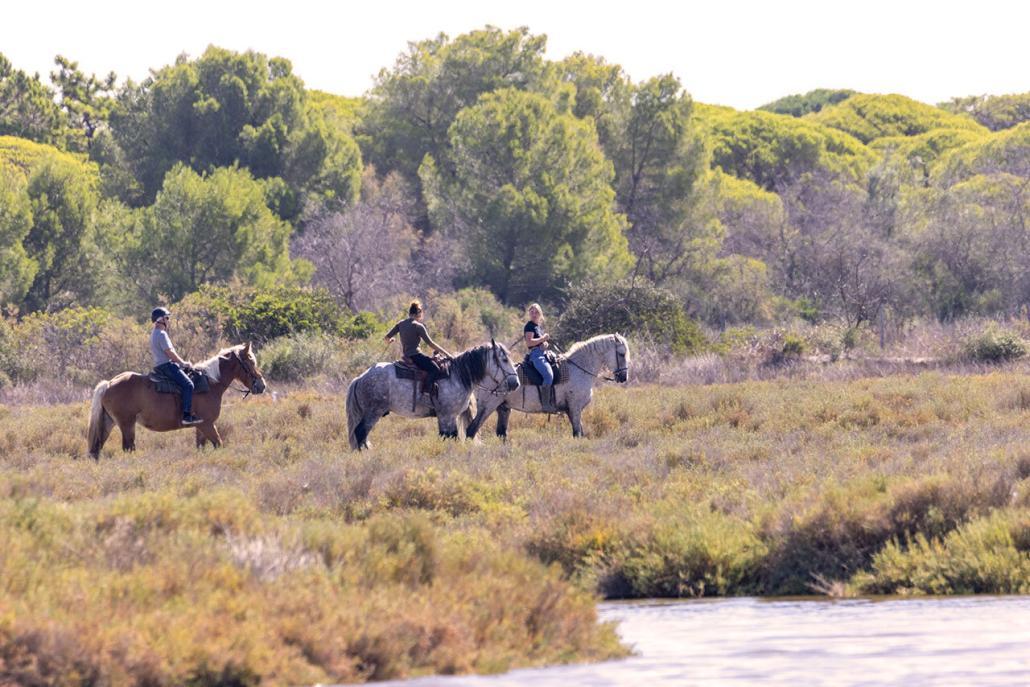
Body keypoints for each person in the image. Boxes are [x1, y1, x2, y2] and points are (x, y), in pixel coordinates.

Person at [385, 301, 454, 392]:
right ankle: (426, 391)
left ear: (410, 312)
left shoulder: (400, 323)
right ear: (418, 313)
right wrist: (447, 354)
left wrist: (390, 340)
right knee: (435, 369)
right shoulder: (418, 326)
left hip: (406, 356)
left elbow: (386, 338)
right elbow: (431, 343)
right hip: (416, 356)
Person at [150, 307, 203, 426]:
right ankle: (186, 416)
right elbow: (170, 353)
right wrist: (183, 363)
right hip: (167, 366)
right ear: (161, 319)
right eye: (167, 318)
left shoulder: (154, 333)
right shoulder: (162, 334)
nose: (168, 320)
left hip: (159, 367)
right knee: (189, 384)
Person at [524, 303, 556, 411]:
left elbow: (538, 343)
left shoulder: (537, 327)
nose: (534, 314)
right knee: (548, 376)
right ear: (529, 314)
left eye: (536, 312)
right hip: (536, 355)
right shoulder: (529, 326)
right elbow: (529, 343)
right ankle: (545, 404)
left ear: (540, 314)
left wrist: (544, 344)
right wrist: (543, 339)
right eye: (532, 312)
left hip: (542, 353)